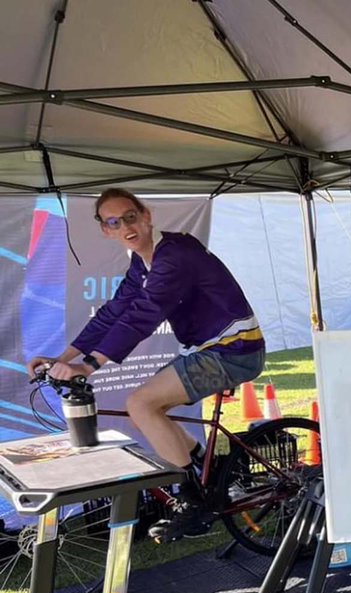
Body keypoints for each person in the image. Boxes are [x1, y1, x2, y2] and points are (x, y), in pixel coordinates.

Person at [26, 188, 266, 541]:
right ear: (106, 230)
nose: (125, 226)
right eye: (114, 222)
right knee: (152, 409)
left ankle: (192, 502)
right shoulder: (143, 262)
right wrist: (62, 359)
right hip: (211, 349)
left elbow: (143, 315)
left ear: (147, 215)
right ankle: (210, 468)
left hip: (234, 349)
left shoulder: (175, 254)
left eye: (130, 217)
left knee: (141, 403)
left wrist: (89, 366)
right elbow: (114, 312)